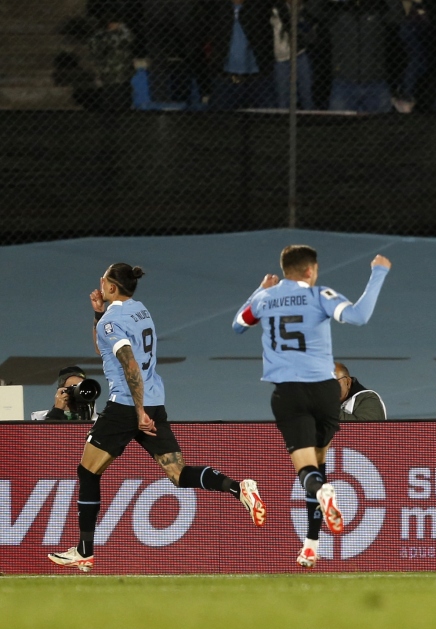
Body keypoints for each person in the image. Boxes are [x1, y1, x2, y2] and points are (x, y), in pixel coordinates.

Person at [48, 263, 266, 573]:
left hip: (126, 405)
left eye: (103, 280)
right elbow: (106, 351)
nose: (100, 283)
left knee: (87, 472)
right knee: (178, 474)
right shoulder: (139, 310)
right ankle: (238, 488)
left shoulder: (113, 321)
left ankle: (84, 550)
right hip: (155, 400)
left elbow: (130, 366)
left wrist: (137, 413)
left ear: (111, 287)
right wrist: (98, 313)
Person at [233, 245, 391, 568]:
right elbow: (359, 316)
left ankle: (320, 503)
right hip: (324, 391)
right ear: (310, 270)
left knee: (308, 472)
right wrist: (378, 272)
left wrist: (259, 291)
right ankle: (311, 544)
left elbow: (238, 323)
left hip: (289, 393)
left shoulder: (265, 299)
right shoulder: (321, 295)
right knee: (319, 467)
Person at [307, 0, 406, 113]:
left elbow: (398, 16)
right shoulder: (337, 6)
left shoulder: (377, 4)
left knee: (380, 130)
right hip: (344, 83)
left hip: (376, 82)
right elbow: (312, 10)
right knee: (340, 131)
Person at [206, 0, 282, 110]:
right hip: (226, 82)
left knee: (269, 124)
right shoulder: (218, 10)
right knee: (219, 125)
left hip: (258, 82)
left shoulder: (258, 8)